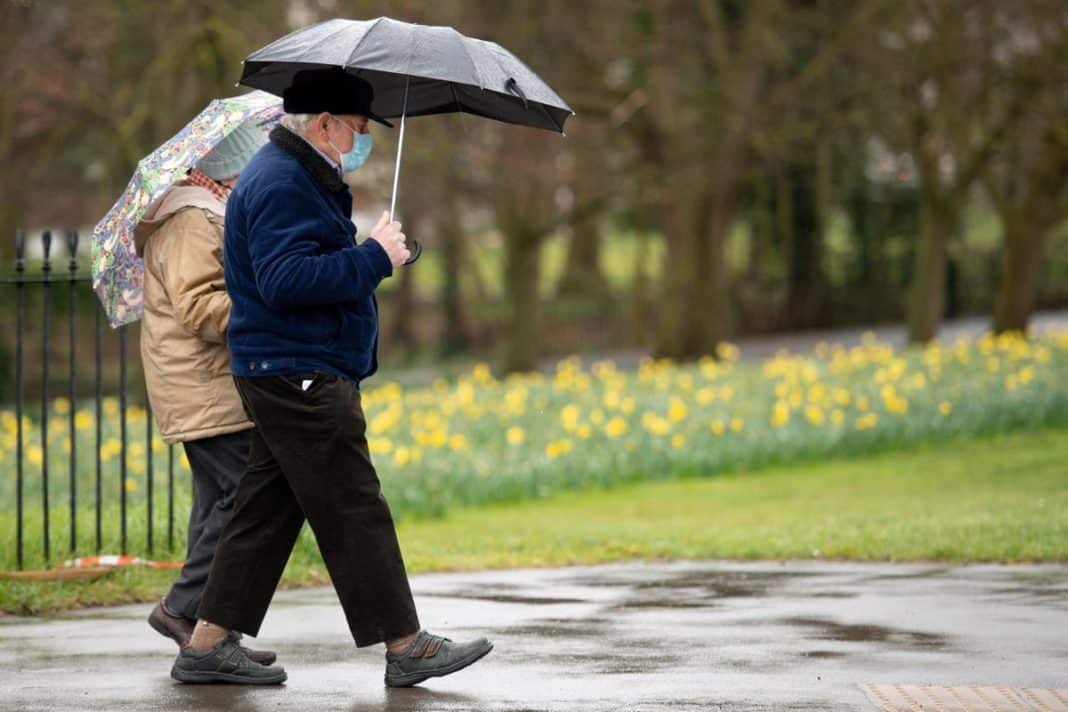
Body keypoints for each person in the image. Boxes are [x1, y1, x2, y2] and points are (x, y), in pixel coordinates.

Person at [170, 67, 493, 687]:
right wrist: (376, 256)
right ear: (323, 122)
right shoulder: (286, 181)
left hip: (286, 370)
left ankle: (207, 645)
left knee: (263, 511)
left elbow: (297, 267)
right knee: (354, 506)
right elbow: (286, 282)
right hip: (299, 373)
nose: (361, 140)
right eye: (357, 128)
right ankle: (405, 645)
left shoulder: (293, 175)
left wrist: (369, 253)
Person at [134, 119, 274, 665]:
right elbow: (200, 308)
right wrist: (262, 307)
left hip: (204, 387)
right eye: (246, 174)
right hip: (204, 388)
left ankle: (210, 635)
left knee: (216, 503)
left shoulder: (200, 215)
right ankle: (183, 606)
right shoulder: (192, 220)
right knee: (242, 499)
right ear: (225, 173)